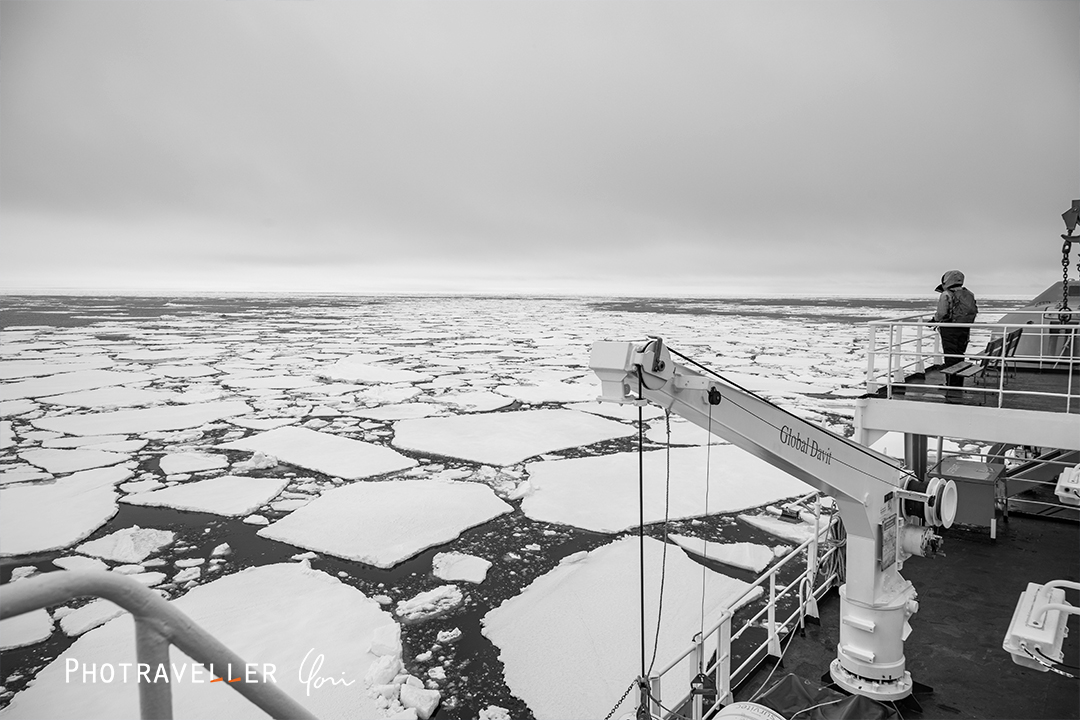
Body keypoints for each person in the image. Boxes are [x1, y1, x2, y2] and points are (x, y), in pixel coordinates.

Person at [931, 270, 978, 392]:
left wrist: (934, 320)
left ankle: (951, 385)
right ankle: (958, 383)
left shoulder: (946, 294)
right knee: (959, 355)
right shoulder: (969, 293)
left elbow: (942, 313)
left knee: (950, 357)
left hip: (950, 329)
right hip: (964, 328)